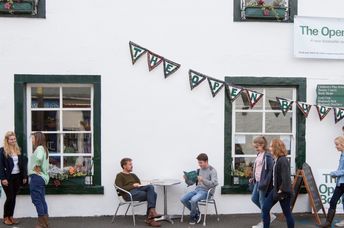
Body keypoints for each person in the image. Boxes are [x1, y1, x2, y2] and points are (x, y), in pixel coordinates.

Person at [115, 158, 161, 227]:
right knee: (153, 195)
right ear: (124, 166)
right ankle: (151, 218)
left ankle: (151, 213)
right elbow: (120, 189)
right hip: (128, 194)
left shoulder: (133, 175)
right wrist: (133, 185)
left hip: (138, 191)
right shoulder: (120, 175)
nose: (132, 166)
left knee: (150, 187)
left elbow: (139, 184)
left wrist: (142, 184)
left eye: (131, 164)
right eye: (130, 164)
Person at [262, 139, 294, 228]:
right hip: (275, 190)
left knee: (287, 213)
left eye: (271, 146)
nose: (269, 148)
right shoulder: (277, 159)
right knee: (265, 208)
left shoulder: (283, 160)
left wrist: (281, 190)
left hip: (283, 192)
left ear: (276, 148)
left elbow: (286, 178)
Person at [180, 153, 218, 225]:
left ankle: (193, 217)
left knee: (194, 199)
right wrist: (186, 179)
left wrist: (203, 180)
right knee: (183, 198)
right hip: (197, 190)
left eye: (201, 163)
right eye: (198, 162)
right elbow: (191, 183)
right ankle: (197, 213)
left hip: (207, 192)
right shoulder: (198, 170)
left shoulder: (212, 170)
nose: (199, 164)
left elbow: (214, 184)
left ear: (206, 161)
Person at [0, 131, 27, 225]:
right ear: (7, 140)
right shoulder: (2, 150)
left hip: (17, 177)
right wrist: (3, 178)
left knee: (14, 197)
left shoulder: (17, 149)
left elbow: (22, 164)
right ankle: (5, 217)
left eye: (14, 139)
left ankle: (11, 216)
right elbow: (0, 166)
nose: (13, 141)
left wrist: (24, 176)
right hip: (8, 178)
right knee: (10, 197)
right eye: (11, 139)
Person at [250, 136, 275, 228]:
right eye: (255, 147)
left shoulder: (267, 155)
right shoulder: (259, 154)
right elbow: (258, 168)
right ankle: (269, 215)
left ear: (262, 145)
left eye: (257, 147)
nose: (255, 149)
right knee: (254, 199)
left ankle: (264, 222)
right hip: (257, 181)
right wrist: (253, 177)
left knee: (262, 202)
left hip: (263, 183)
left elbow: (270, 170)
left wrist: (265, 182)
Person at [319, 136, 344, 227]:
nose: (336, 146)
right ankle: (328, 223)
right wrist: (336, 175)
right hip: (341, 183)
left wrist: (334, 173)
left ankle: (328, 223)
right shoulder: (342, 154)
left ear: (342, 144)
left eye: (337, 144)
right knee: (333, 201)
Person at [29, 132, 50, 228]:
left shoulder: (40, 148)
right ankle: (45, 223)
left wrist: (37, 165)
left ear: (37, 139)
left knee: (37, 200)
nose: (32, 140)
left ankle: (41, 223)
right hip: (41, 178)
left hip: (37, 178)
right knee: (41, 200)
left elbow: (39, 158)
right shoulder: (44, 148)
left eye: (33, 138)